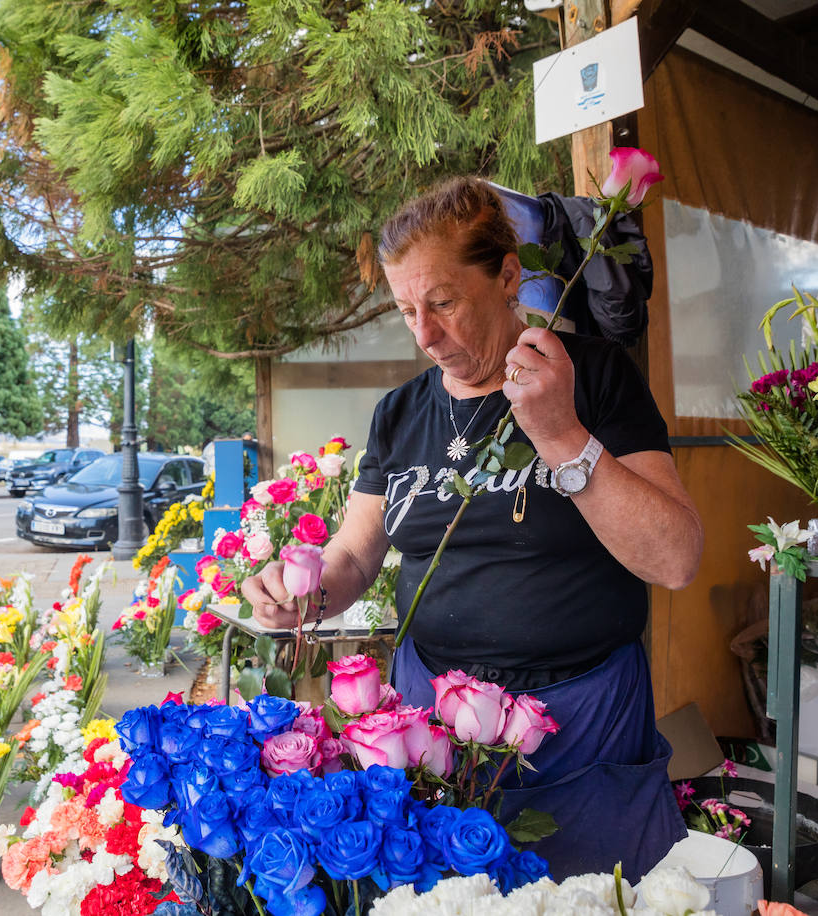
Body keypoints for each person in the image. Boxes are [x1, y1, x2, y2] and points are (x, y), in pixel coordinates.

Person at [241, 177, 704, 881]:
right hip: (431, 729)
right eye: (405, 311)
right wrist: (298, 593)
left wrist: (560, 435)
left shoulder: (594, 378)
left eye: (444, 302)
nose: (425, 335)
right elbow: (355, 557)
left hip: (582, 724)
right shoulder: (399, 414)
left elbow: (675, 558)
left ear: (509, 277)